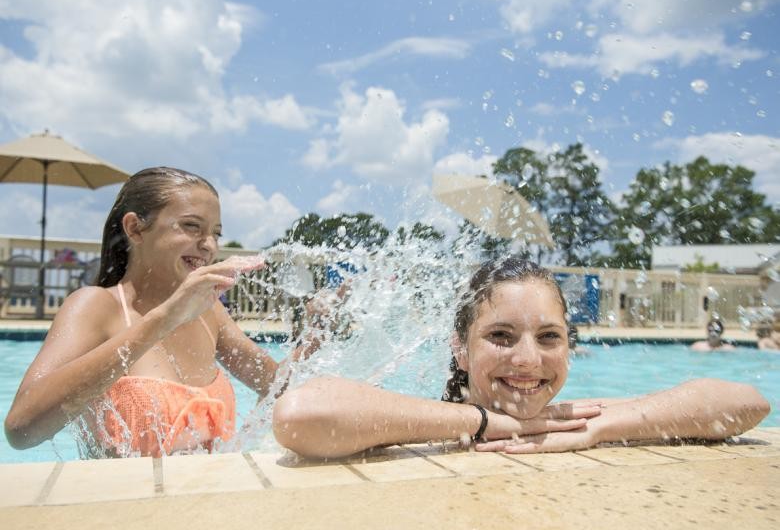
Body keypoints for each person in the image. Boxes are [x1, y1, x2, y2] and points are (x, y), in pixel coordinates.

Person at [272, 257, 770, 459]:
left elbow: (743, 402)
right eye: (502, 336)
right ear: (460, 349)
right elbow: (300, 415)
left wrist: (598, 429)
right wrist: (483, 422)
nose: (529, 360)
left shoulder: (572, 420)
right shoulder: (417, 420)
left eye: (550, 337)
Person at [4, 167, 318, 457]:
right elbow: (22, 430)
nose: (208, 244)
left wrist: (318, 332)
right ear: (135, 229)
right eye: (191, 226)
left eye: (216, 233)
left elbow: (277, 385)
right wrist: (164, 319)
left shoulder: (210, 316)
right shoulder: (97, 307)